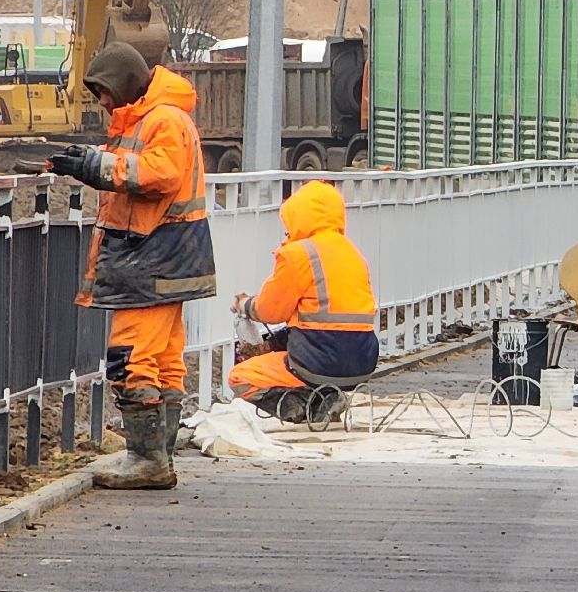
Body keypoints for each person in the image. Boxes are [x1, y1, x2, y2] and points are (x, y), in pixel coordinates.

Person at [47, 43, 216, 490]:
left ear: (123, 83)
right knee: (162, 359)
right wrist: (91, 164)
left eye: (103, 91)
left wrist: (94, 165)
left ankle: (148, 459)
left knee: (131, 357)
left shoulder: (162, 119)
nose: (101, 102)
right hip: (168, 256)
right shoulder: (149, 118)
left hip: (153, 258)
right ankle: (157, 455)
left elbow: (160, 175)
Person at [227, 180, 379, 422]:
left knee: (241, 376)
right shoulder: (352, 253)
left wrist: (245, 304)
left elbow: (271, 310)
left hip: (316, 362)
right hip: (362, 362)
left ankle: (306, 411)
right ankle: (328, 397)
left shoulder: (299, 254)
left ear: (298, 216)